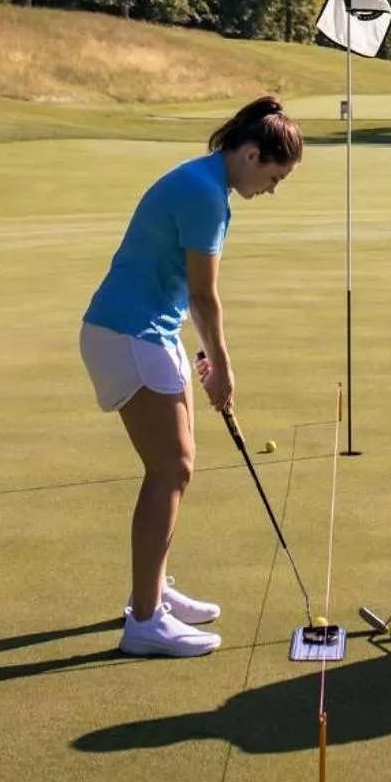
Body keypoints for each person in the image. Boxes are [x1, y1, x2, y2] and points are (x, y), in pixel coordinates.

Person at [80, 95, 304, 658]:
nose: (272, 190)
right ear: (251, 155)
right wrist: (222, 365)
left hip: (147, 330)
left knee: (176, 467)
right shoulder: (204, 194)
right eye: (274, 177)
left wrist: (199, 352)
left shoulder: (204, 182)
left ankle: (153, 590)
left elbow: (178, 286)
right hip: (128, 333)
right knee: (171, 469)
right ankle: (145, 621)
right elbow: (204, 295)